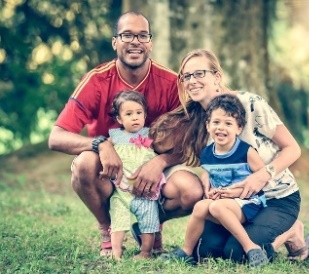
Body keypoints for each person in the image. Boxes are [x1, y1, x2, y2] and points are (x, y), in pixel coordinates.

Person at [48, 11, 203, 256]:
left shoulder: (172, 83)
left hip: (156, 169)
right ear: (115, 42)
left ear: (150, 43)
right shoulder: (97, 80)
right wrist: (101, 144)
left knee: (192, 191)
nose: (135, 42)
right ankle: (107, 229)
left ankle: (149, 223)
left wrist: (160, 161)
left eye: (142, 36)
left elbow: (189, 139)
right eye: (127, 35)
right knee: (84, 165)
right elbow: (56, 137)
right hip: (111, 167)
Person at [155, 49, 309, 264]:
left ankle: (291, 230)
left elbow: (293, 148)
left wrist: (263, 175)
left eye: (199, 74)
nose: (192, 81)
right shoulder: (203, 122)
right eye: (186, 76)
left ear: (217, 77)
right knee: (207, 252)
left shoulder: (250, 104)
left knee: (237, 254)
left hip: (275, 198)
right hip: (234, 203)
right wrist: (208, 178)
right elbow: (216, 161)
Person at [161, 94, 270, 267]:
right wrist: (211, 189)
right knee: (200, 206)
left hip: (248, 202)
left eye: (228, 123)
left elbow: (262, 179)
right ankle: (187, 251)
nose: (221, 128)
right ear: (208, 125)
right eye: (216, 122)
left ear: (239, 128)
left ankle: (251, 247)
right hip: (222, 202)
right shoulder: (207, 153)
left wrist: (233, 192)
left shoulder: (246, 152)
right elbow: (210, 175)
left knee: (216, 206)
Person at [107, 91, 168, 260]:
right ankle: (116, 252)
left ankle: (146, 252)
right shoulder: (115, 136)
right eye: (128, 114)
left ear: (145, 115)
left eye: (138, 113)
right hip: (121, 190)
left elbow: (164, 150)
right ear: (119, 119)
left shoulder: (150, 134)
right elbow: (105, 151)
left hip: (144, 190)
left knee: (149, 221)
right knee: (118, 220)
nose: (135, 118)